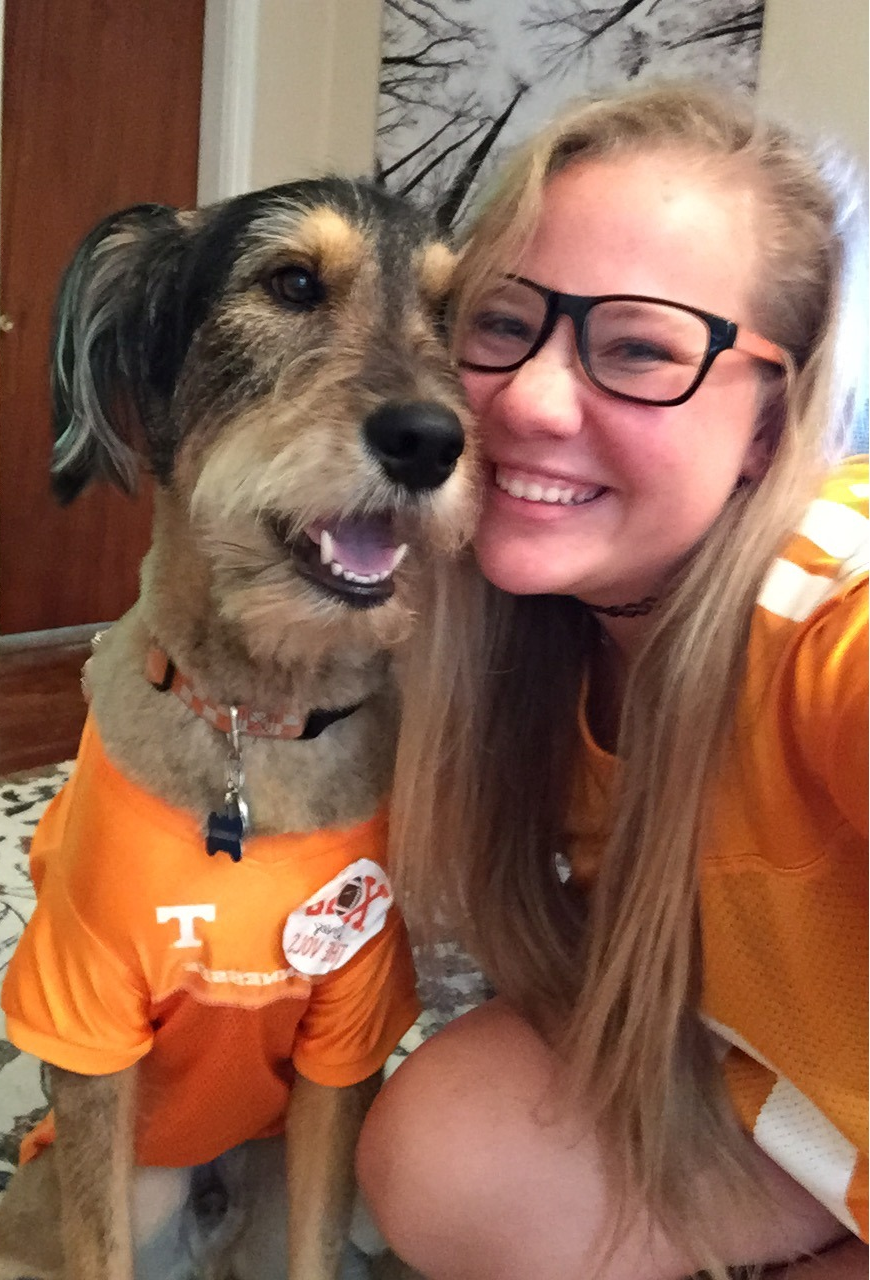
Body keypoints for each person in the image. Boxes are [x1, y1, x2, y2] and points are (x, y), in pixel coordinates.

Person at [356, 83, 869, 1280]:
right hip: (783, 1080)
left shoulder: (828, 617)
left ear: (767, 427)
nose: (529, 400)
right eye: (500, 323)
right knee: (439, 1154)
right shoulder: (530, 626)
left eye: (639, 348)